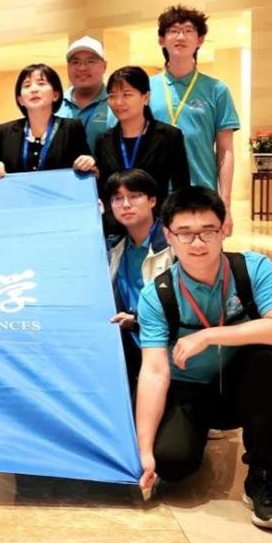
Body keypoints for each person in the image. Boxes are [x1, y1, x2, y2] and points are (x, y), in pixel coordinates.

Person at [135, 186, 272, 530]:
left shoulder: (252, 269)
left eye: (208, 231)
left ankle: (262, 477)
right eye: (185, 233)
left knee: (267, 360)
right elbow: (154, 371)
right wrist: (144, 449)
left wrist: (208, 335)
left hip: (241, 387)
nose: (197, 243)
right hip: (188, 391)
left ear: (224, 229)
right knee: (172, 464)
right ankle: (195, 432)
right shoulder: (157, 294)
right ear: (169, 236)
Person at [147, 5, 240, 235]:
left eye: (188, 31)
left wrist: (226, 204)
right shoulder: (146, 89)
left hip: (201, 193)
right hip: (153, 195)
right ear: (161, 40)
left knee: (200, 255)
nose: (180, 37)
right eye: (173, 31)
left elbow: (225, 150)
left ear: (200, 40)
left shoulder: (217, 90)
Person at [104, 169, 174, 396]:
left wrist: (136, 320)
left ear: (152, 200)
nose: (125, 204)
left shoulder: (174, 245)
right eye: (117, 198)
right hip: (127, 346)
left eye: (134, 196)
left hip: (167, 347)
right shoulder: (114, 248)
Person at [95, 66, 190, 215]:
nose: (118, 102)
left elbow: (181, 188)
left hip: (156, 221)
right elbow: (102, 190)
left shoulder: (169, 136)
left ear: (145, 97)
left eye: (126, 95)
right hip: (115, 222)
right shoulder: (103, 141)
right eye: (112, 96)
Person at [0, 64, 95, 177]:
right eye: (27, 85)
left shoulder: (72, 128)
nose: (34, 89)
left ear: (55, 95)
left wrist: (88, 161)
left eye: (41, 83)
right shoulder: (4, 132)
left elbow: (88, 168)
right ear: (20, 100)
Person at [57, 36, 117, 152]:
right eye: (75, 62)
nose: (82, 68)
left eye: (90, 61)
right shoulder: (55, 104)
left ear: (104, 66)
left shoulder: (116, 104)